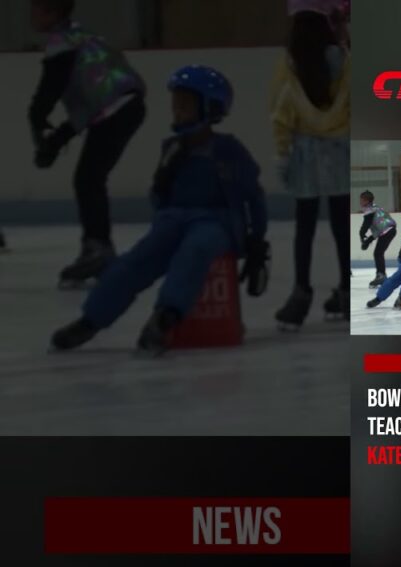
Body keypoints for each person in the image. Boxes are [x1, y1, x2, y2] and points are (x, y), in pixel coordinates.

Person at [50, 66, 269, 355]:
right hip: (172, 219)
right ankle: (91, 320)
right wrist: (163, 190)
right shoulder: (171, 148)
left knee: (195, 250)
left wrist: (256, 240)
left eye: (186, 106)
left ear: (210, 108)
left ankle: (165, 317)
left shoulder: (228, 149)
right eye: (175, 105)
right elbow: (158, 194)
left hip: (215, 221)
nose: (177, 111)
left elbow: (253, 195)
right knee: (135, 261)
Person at [29, 0, 146, 289]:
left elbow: (51, 88)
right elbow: (89, 105)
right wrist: (55, 140)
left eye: (38, 8)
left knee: (88, 179)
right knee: (89, 178)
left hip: (116, 109)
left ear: (54, 12)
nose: (32, 14)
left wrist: (36, 117)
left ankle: (98, 249)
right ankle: (97, 246)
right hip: (125, 105)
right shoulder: (82, 36)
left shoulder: (61, 44)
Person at [271, 0, 351, 329]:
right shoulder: (341, 60)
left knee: (304, 228)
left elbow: (281, 112)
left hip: (304, 155)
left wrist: (283, 153)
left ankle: (300, 294)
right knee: (340, 226)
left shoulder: (290, 65)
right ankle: (348, 289)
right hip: (337, 154)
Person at [358, 190, 397, 288]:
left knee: (378, 253)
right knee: (378, 253)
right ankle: (381, 275)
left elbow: (366, 225)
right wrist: (368, 240)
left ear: (366, 201)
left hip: (387, 231)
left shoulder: (369, 210)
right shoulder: (376, 207)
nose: (360, 202)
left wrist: (362, 235)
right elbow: (379, 229)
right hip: (389, 230)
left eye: (362, 200)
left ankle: (381, 276)